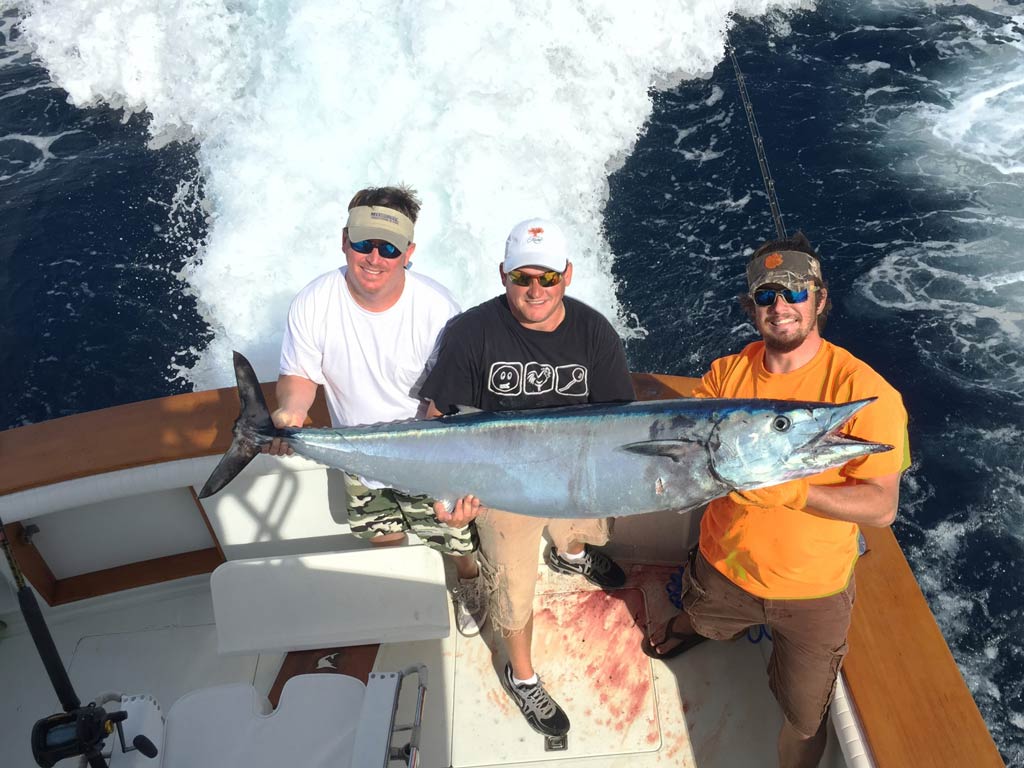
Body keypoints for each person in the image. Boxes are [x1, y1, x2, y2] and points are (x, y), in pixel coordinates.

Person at [643, 232, 910, 768]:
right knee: (703, 618)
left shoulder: (868, 395)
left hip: (814, 596)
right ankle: (695, 627)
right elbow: (684, 453)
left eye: (795, 292)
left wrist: (797, 491)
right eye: (766, 295)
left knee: (805, 719)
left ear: (820, 298)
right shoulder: (727, 375)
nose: (781, 305)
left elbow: (882, 508)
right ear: (752, 307)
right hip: (724, 564)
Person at [419, 218, 636, 738]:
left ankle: (571, 555)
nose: (535, 290)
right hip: (502, 488)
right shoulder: (471, 332)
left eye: (547, 277)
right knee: (513, 593)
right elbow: (436, 420)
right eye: (522, 278)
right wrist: (446, 494)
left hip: (574, 477)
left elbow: (616, 423)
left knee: (584, 530)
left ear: (567, 275)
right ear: (503, 275)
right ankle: (522, 677)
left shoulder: (594, 332)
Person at [264, 185, 488, 636]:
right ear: (344, 240)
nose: (374, 258)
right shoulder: (313, 302)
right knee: (382, 534)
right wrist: (290, 413)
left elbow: (450, 403)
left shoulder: (440, 311)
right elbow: (300, 376)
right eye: (364, 243)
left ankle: (470, 580)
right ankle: (402, 584)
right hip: (357, 460)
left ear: (409, 253)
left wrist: (449, 478)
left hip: (428, 459)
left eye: (389, 248)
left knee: (455, 540)